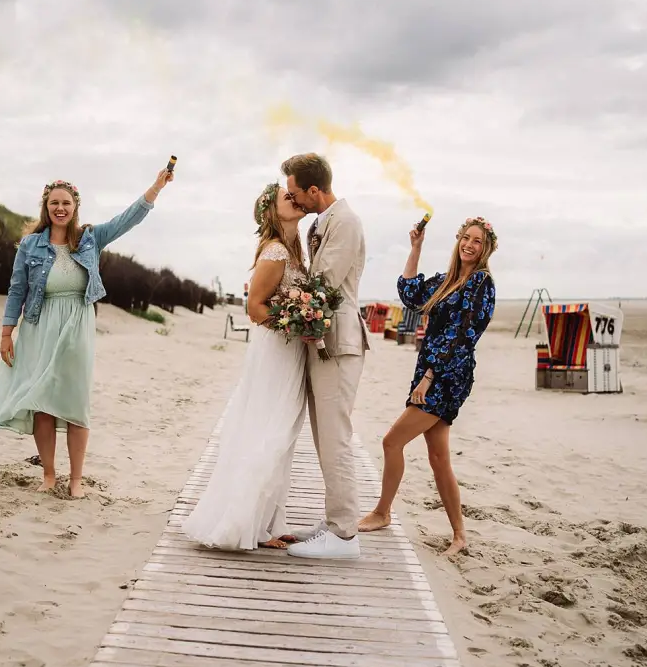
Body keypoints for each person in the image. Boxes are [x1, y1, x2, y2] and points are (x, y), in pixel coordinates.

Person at [0, 168, 174, 498]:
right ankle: (49, 475)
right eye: (54, 203)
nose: (60, 208)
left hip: (77, 324)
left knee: (76, 400)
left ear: (75, 206)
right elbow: (16, 290)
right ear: (46, 207)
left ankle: (76, 479)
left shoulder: (90, 239)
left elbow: (127, 220)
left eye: (66, 203)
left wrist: (156, 187)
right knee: (41, 400)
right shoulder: (30, 245)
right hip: (39, 324)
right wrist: (7, 333)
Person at [358, 217, 497, 556]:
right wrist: (415, 248)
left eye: (477, 241)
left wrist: (429, 377)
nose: (469, 245)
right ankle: (459, 536)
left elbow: (463, 335)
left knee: (392, 442)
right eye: (466, 238)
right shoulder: (447, 280)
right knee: (438, 457)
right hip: (431, 369)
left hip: (447, 375)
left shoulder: (481, 283)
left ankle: (382, 512)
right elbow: (410, 294)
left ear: (486, 248)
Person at [182, 182, 309, 549]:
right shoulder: (275, 251)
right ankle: (247, 524)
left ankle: (269, 521)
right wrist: (296, 323)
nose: (295, 199)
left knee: (282, 434)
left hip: (291, 352)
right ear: (272, 211)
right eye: (287, 197)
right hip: (276, 352)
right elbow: (255, 308)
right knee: (269, 431)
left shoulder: (294, 251)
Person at [280, 153, 370, 560]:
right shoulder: (320, 223)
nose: (293, 199)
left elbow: (325, 282)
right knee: (324, 440)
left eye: (296, 193)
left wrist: (282, 292)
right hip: (322, 342)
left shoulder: (346, 221)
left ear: (314, 190)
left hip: (338, 342)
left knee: (336, 438)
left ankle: (345, 536)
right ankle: (334, 521)